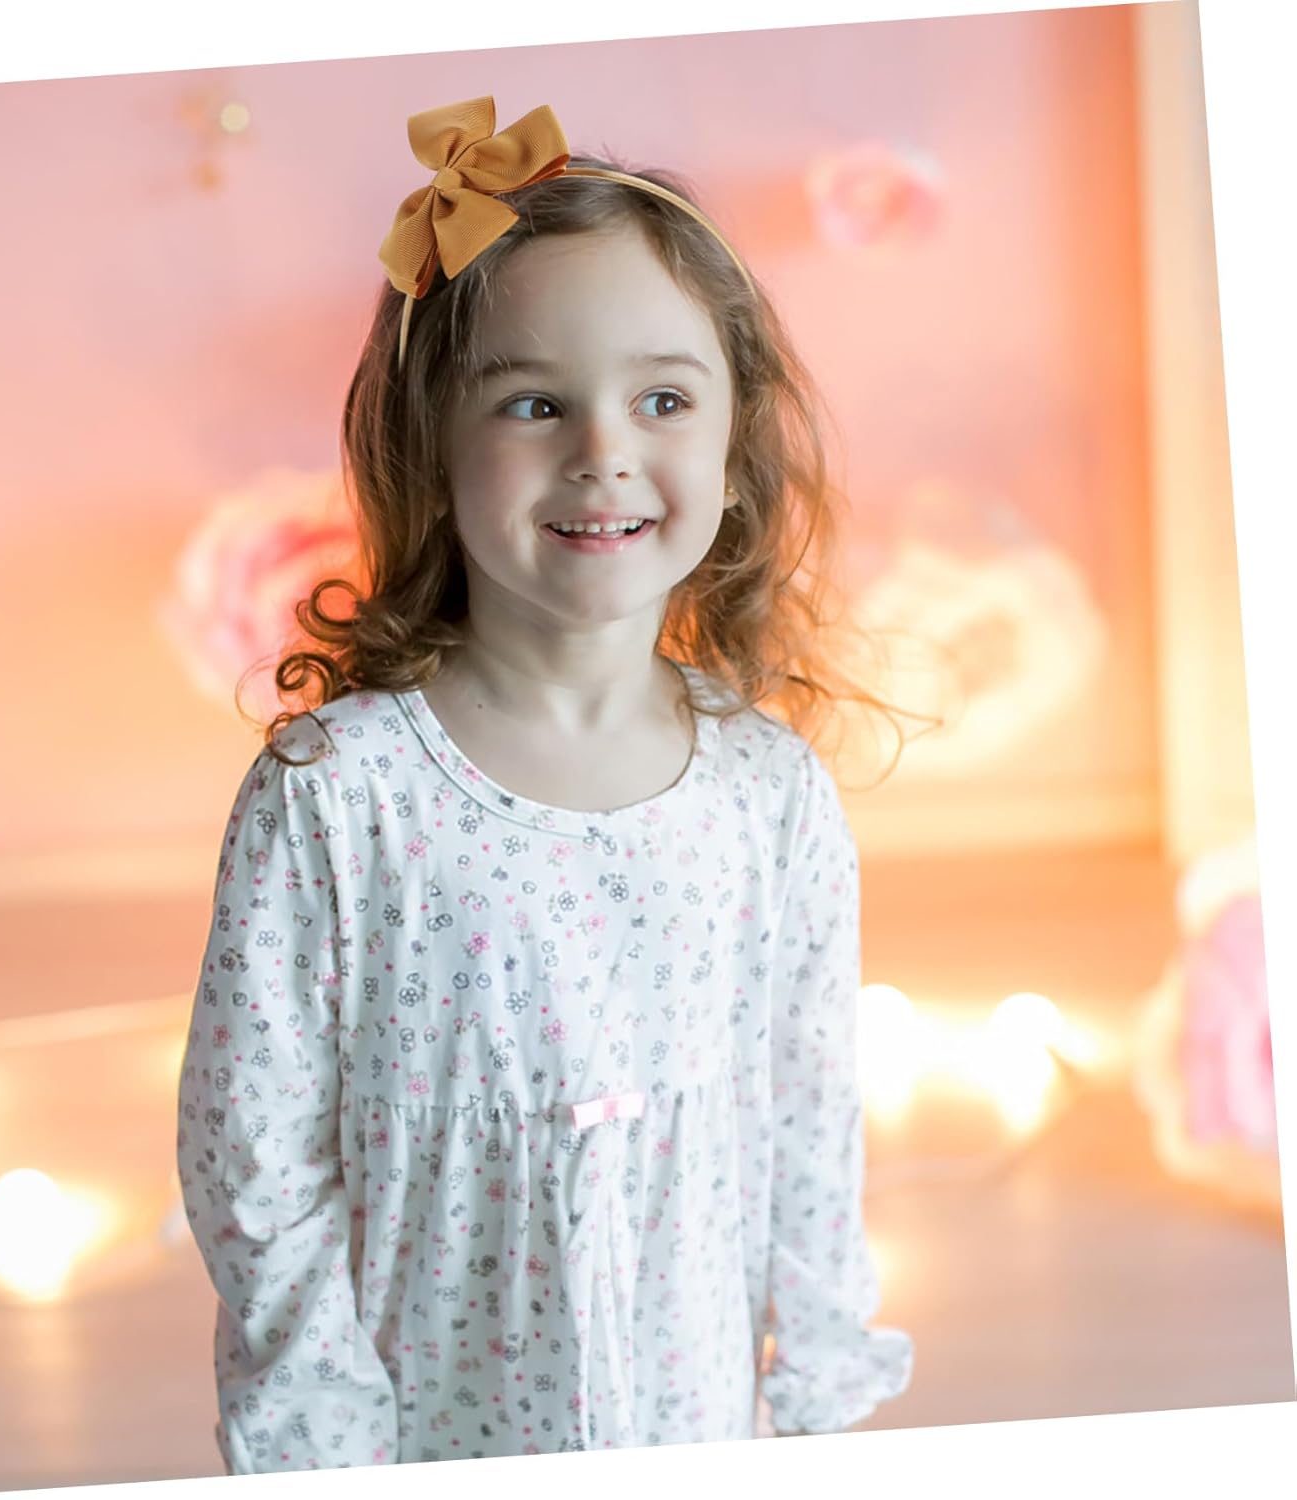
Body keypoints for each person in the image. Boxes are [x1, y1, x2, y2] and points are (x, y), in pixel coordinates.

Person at [176, 95, 914, 1471]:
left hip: (690, 1411)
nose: (603, 451)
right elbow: (254, 1151)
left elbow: (808, 1104)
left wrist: (816, 1353)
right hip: (428, 1418)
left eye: (663, 400)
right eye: (534, 403)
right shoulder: (337, 797)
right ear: (431, 447)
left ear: (733, 450)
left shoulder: (769, 793)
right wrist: (320, 1419)